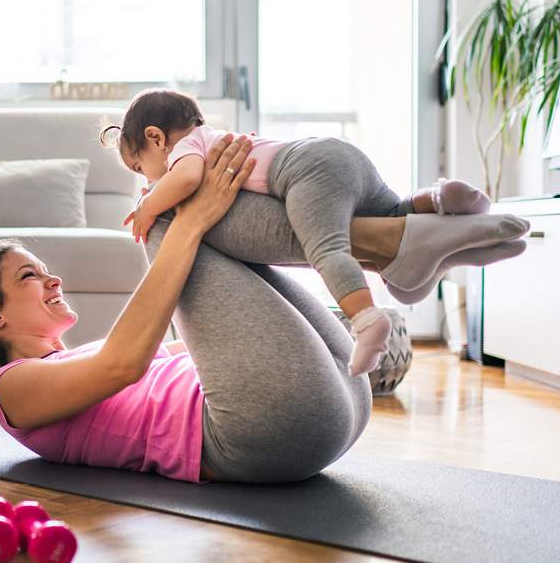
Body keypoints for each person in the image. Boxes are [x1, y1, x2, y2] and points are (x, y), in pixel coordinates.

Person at [0, 134, 529, 484]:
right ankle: (390, 241)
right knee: (160, 220)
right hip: (264, 431)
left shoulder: (69, 361)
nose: (51, 277)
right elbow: (126, 365)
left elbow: (213, 332)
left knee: (185, 214)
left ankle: (397, 241)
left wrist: (206, 211)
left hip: (330, 405)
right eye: (29, 276)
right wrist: (189, 213)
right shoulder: (11, 390)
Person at [99, 88, 500, 376]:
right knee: (394, 212)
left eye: (140, 169)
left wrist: (148, 204)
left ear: (156, 138)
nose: (146, 181)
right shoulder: (210, 137)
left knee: (326, 248)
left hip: (309, 170)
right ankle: (440, 199)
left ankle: (366, 319)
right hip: (343, 157)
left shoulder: (188, 150)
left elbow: (184, 179)